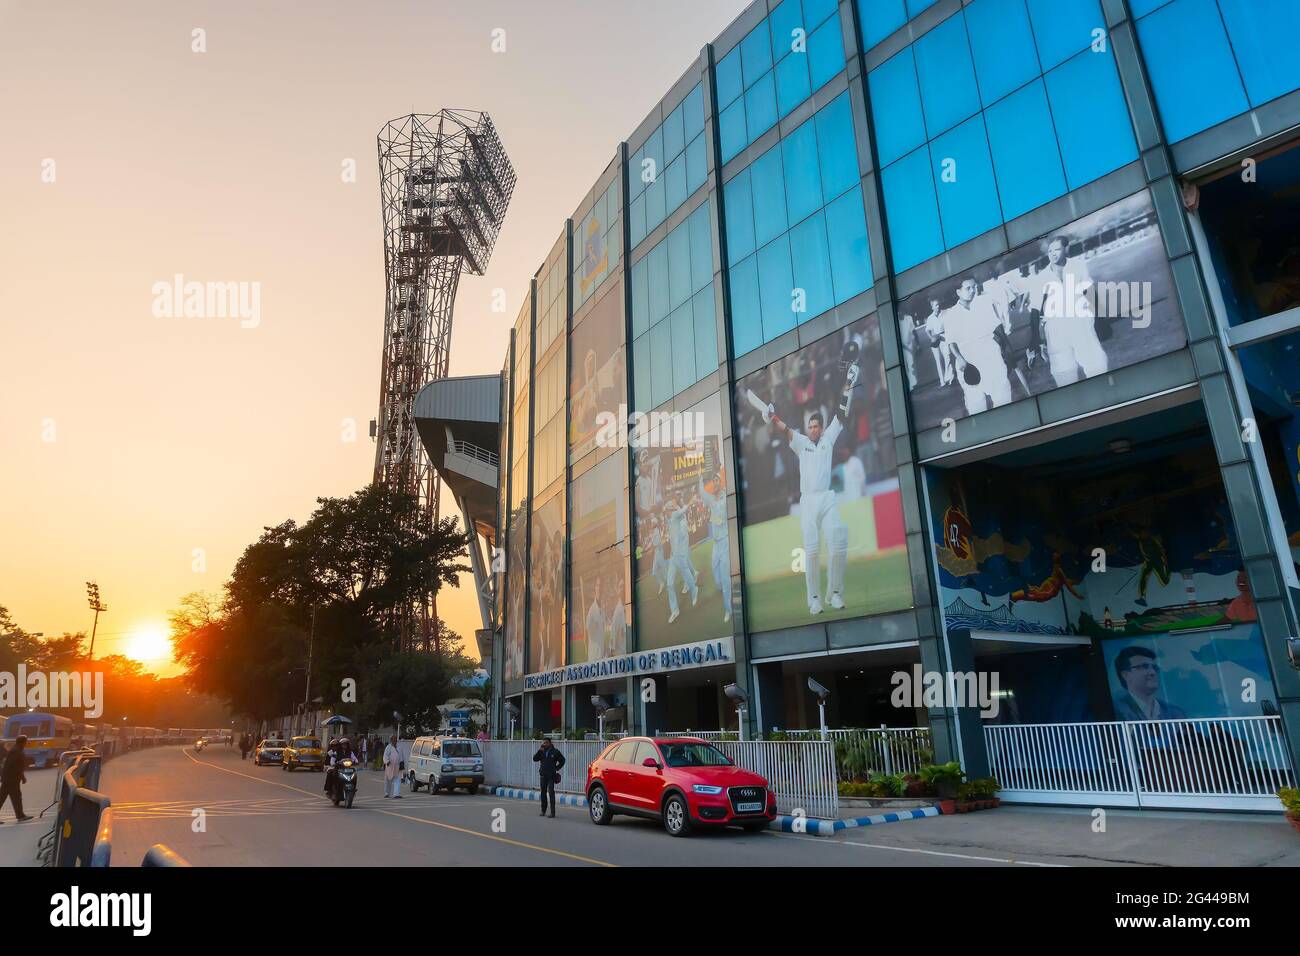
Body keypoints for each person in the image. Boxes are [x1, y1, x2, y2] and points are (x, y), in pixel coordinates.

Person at [1027, 235, 1108, 387]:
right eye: (1050, 251)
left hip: (1081, 325)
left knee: (1097, 366)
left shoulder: (1077, 266)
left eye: (1057, 249)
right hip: (1057, 332)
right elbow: (1035, 310)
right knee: (1065, 377)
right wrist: (1034, 338)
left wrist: (1101, 319)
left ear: (1066, 249)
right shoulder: (1041, 277)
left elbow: (1089, 291)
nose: (1053, 254)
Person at [942, 276, 1013, 415]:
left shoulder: (984, 303)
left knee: (1003, 399)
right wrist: (960, 359)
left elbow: (998, 328)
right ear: (958, 292)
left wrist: (1008, 350)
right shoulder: (950, 314)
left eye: (974, 287)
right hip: (969, 364)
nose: (973, 290)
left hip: (992, 357)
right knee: (977, 407)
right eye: (968, 288)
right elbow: (951, 342)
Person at [1112, 647, 1186, 721]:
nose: (1152, 672)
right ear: (1126, 675)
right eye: (1144, 667)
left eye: (1154, 667)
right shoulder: (1116, 710)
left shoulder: (1175, 712)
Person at [0, 735, 31, 822]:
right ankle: (20, 816)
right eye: (26, 742)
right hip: (11, 779)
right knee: (16, 797)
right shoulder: (16, 751)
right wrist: (22, 776)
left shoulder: (16, 750)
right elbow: (14, 766)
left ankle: (20, 815)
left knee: (2, 797)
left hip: (8, 778)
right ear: (22, 742)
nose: (26, 744)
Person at [532, 738, 565, 818]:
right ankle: (543, 811)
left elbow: (562, 760)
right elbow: (535, 759)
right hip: (543, 775)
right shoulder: (542, 751)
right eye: (543, 743)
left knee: (551, 793)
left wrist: (557, 768)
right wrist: (539, 751)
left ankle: (552, 812)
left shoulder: (555, 751)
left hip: (551, 775)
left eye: (546, 743)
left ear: (550, 743)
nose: (544, 744)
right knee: (543, 793)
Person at [383, 734, 403, 799]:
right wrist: (387, 761)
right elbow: (385, 756)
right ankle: (387, 793)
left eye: (395, 739)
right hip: (390, 766)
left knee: (398, 779)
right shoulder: (388, 747)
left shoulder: (399, 747)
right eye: (393, 739)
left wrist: (402, 763)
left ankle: (396, 794)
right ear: (391, 740)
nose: (395, 740)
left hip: (397, 766)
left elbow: (401, 756)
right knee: (388, 780)